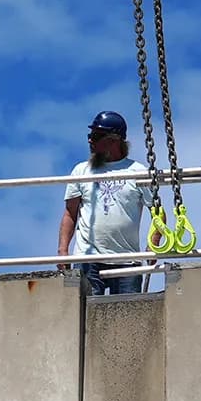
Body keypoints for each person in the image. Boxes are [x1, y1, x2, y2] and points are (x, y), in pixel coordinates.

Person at [57, 108, 154, 295]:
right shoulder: (81, 171)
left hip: (127, 258)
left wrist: (153, 244)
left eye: (96, 135)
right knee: (85, 316)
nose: (90, 140)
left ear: (113, 140)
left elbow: (157, 212)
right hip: (88, 258)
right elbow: (70, 213)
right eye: (90, 135)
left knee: (128, 315)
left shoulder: (137, 171)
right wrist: (63, 251)